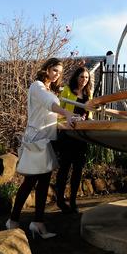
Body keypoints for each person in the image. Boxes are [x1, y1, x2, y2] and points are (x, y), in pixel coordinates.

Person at [6, 58, 76, 238]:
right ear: (46, 69)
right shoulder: (37, 86)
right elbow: (48, 104)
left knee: (43, 183)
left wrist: (65, 120)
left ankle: (38, 222)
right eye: (54, 70)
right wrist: (67, 112)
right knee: (30, 182)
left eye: (59, 72)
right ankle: (13, 220)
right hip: (36, 141)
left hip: (45, 140)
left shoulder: (49, 89)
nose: (57, 75)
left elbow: (49, 114)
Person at [55, 66, 93, 214]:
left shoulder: (88, 94)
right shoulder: (66, 91)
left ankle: (73, 201)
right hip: (67, 136)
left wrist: (86, 119)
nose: (84, 80)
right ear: (76, 77)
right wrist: (69, 117)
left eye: (86, 78)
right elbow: (57, 113)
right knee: (64, 169)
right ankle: (60, 199)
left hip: (81, 137)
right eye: (82, 77)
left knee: (78, 170)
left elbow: (89, 115)